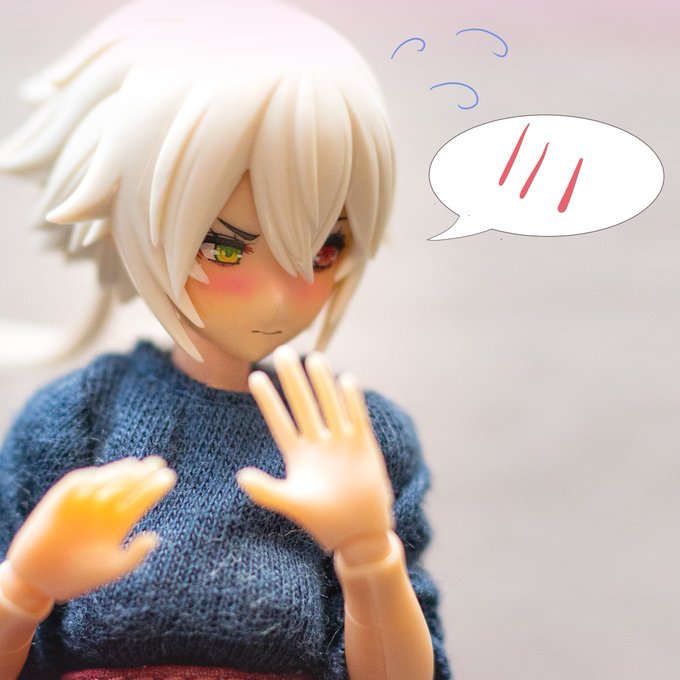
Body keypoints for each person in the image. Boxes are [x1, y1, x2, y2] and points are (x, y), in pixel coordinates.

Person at [0, 1, 450, 678]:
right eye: (225, 247)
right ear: (142, 222)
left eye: (322, 251)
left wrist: (368, 554)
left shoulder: (353, 436)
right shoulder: (79, 416)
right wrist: (22, 589)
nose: (278, 295)